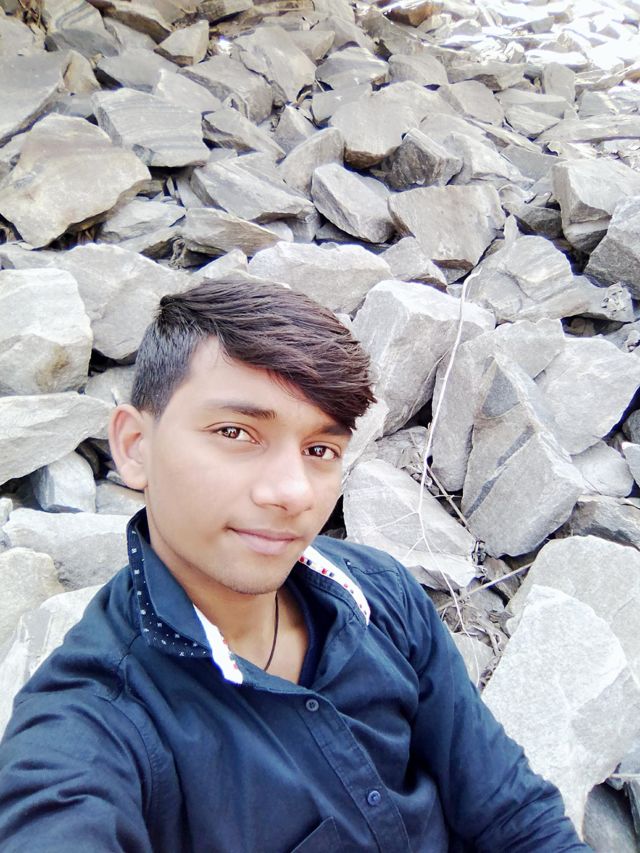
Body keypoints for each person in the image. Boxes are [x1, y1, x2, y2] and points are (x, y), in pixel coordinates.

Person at [0, 279, 590, 852]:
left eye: (320, 450)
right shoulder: (94, 723)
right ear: (135, 447)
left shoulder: (381, 594)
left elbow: (511, 811)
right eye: (236, 432)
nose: (292, 492)